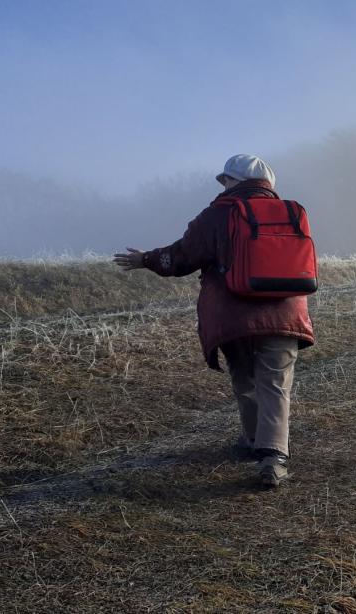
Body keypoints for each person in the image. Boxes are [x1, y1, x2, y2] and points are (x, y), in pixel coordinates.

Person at [113, 154, 315, 486]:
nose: (223, 186)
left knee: (245, 381)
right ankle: (274, 457)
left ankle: (252, 441)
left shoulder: (218, 214)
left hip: (234, 316)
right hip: (286, 313)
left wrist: (145, 259)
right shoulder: (292, 212)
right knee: (276, 385)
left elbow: (181, 256)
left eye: (226, 180)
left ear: (234, 181)